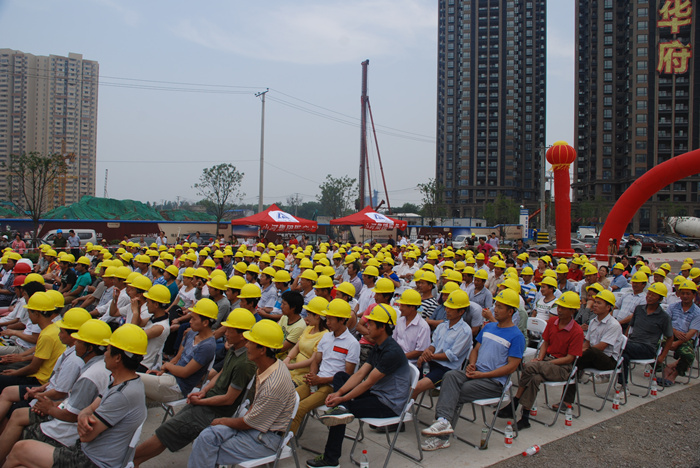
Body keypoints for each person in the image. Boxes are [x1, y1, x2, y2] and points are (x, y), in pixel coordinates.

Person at [4, 324, 148, 468]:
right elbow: (87, 410)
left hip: (91, 460)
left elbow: (85, 435)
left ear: (117, 358)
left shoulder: (119, 393)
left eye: (109, 349)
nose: (104, 353)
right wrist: (84, 415)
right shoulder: (120, 381)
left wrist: (52, 409)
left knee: (20, 448)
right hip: (90, 452)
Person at [133, 308, 257, 467]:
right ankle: (133, 461)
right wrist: (203, 391)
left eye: (229, 330)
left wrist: (201, 401)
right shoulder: (234, 349)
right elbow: (221, 373)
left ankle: (130, 460)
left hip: (215, 410)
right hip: (206, 400)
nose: (225, 333)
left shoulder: (244, 363)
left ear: (242, 335)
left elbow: (229, 399)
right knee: (167, 430)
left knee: (166, 432)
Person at [307, 304, 411, 468]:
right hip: (376, 394)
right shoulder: (379, 345)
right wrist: (339, 393)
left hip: (388, 404)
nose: (366, 326)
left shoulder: (391, 352)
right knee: (340, 377)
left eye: (371, 323)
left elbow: (369, 382)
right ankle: (341, 408)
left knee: (339, 416)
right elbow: (360, 374)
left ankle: (331, 459)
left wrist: (342, 398)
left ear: (382, 327)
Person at [420, 289, 525, 451]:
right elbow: (475, 350)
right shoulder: (489, 327)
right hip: (476, 373)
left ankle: (442, 434)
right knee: (450, 376)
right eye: (496, 305)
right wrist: (472, 364)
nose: (495, 309)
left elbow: (511, 366)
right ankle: (443, 421)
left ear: (511, 311)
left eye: (500, 307)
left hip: (493, 382)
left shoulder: (516, 336)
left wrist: (483, 374)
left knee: (456, 391)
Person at [0, 319, 112, 465]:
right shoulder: (96, 365)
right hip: (62, 410)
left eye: (79, 341)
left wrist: (49, 408)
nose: (75, 343)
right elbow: (73, 400)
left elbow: (71, 413)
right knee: (17, 413)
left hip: (65, 430)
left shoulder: (88, 375)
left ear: (89, 348)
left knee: (19, 442)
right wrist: (51, 403)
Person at [187, 320, 296, 468]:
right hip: (256, 428)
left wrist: (221, 421)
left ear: (262, 350)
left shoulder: (273, 385)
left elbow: (248, 423)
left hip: (265, 439)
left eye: (250, 342)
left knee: (204, 446)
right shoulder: (269, 366)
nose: (246, 346)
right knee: (207, 437)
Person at [499, 291, 584, 430]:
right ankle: (525, 417)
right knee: (535, 378)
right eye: (559, 307)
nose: (559, 310)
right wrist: (540, 358)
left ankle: (515, 401)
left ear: (572, 311)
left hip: (563, 367)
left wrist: (545, 363)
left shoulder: (577, 331)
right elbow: (545, 342)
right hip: (547, 361)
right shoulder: (552, 322)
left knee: (529, 366)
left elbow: (570, 358)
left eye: (564, 308)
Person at [290, 299, 359, 434]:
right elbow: (316, 361)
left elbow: (347, 375)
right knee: (287, 401)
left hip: (331, 387)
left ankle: (283, 442)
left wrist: (321, 380)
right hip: (317, 381)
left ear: (342, 320)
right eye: (326, 318)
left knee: (300, 408)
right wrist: (313, 376)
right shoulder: (326, 337)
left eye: (330, 319)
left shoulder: (352, 343)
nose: (327, 322)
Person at [138, 298, 217, 402]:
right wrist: (162, 371)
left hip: (178, 387)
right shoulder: (191, 333)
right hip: (169, 377)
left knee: (132, 379)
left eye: (193, 319)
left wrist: (167, 365)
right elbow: (177, 358)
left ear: (205, 322)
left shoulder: (208, 346)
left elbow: (185, 372)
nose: (190, 321)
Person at [563, 290, 622, 404]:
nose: (595, 305)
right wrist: (576, 352)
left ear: (608, 307)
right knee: (573, 365)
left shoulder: (614, 325)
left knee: (588, 352)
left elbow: (601, 347)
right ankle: (566, 401)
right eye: (595, 302)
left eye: (599, 303)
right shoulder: (593, 321)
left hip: (608, 360)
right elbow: (587, 343)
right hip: (591, 355)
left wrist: (579, 352)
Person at [413, 290, 473, 400]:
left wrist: (430, 356)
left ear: (461, 312)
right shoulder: (442, 326)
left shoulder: (465, 331)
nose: (447, 310)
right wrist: (427, 352)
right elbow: (434, 344)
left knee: (416, 387)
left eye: (451, 309)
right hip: (432, 362)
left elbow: (451, 355)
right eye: (447, 307)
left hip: (446, 369)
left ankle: (403, 408)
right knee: (406, 380)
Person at [0, 292, 64, 393]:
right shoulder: (52, 329)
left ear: (36, 313)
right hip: (41, 376)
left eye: (29, 312)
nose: (28, 316)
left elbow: (33, 368)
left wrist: (14, 373)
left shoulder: (47, 334)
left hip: (39, 380)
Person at [661, 280, 700, 386]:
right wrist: (674, 332)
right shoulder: (672, 307)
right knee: (652, 345)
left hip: (685, 339)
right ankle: (663, 369)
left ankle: (674, 374)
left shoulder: (697, 312)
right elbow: (665, 323)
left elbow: (691, 333)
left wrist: (676, 343)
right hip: (670, 335)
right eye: (682, 293)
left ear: (694, 295)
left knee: (688, 355)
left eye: (688, 293)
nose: (685, 296)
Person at [393, 289, 431, 366]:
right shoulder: (399, 321)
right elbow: (393, 340)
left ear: (412, 307)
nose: (400, 308)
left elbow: (420, 351)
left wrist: (400, 357)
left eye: (403, 306)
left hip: (409, 364)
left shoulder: (423, 327)